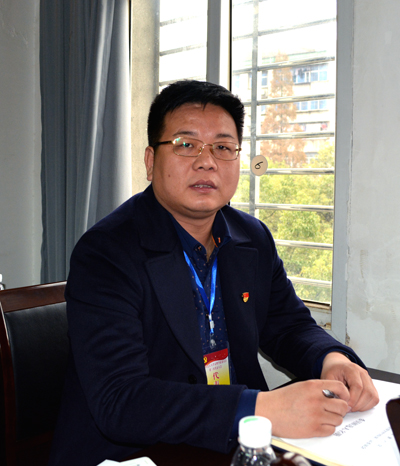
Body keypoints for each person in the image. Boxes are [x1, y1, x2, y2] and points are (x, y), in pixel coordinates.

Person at [48, 80, 378, 466]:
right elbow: (121, 400)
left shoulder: (251, 238)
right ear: (151, 161)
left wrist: (332, 359)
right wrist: (260, 408)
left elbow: (288, 326)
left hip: (231, 445)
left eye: (223, 148)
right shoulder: (106, 253)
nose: (207, 162)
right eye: (186, 144)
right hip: (135, 454)